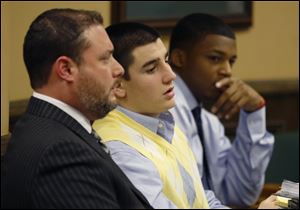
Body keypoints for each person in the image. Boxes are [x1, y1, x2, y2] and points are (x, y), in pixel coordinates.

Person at [93, 22, 279, 209]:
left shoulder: (162, 122)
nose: (171, 75)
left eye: (165, 61)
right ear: (118, 86)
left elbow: (202, 200)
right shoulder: (119, 148)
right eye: (151, 69)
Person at [1, 8, 152, 209]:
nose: (119, 69)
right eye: (105, 58)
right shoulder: (60, 154)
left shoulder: (55, 128)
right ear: (66, 69)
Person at [168, 13, 275, 207]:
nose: (227, 70)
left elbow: (240, 194)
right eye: (215, 58)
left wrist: (254, 112)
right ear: (179, 58)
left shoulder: (208, 122)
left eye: (231, 61)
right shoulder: (164, 113)